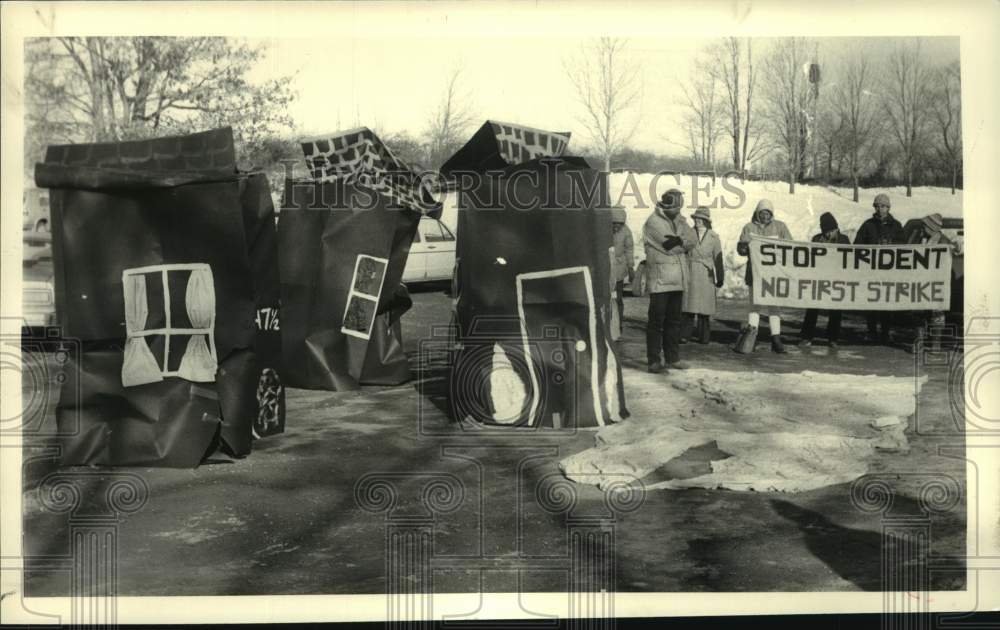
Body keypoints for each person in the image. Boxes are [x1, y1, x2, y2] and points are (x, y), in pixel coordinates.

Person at [644, 189, 696, 373]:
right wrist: (683, 243)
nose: (679, 210)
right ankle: (653, 361)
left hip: (678, 278)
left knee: (674, 321)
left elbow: (693, 239)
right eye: (676, 207)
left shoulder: (680, 220)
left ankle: (673, 358)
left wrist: (680, 241)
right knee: (656, 322)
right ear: (666, 206)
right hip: (660, 280)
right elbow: (668, 247)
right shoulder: (653, 222)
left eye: (680, 206)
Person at [735, 198, 793, 353]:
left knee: (774, 306)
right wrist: (744, 248)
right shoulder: (749, 227)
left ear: (772, 214)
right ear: (757, 213)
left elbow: (790, 246)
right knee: (755, 305)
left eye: (768, 213)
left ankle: (776, 339)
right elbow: (741, 247)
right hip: (754, 273)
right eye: (762, 212)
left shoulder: (780, 227)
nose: (765, 216)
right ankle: (752, 337)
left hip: (773, 273)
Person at [854, 193, 905, 345]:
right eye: (876, 206)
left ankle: (885, 332)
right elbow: (857, 246)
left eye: (882, 206)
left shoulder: (896, 225)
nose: (879, 209)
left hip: (889, 272)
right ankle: (871, 332)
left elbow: (905, 247)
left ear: (888, 207)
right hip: (871, 271)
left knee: (887, 303)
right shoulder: (867, 225)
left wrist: (891, 246)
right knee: (871, 303)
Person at [799, 212, 851, 348]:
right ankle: (807, 337)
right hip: (819, 278)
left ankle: (833, 338)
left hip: (837, 279)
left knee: (835, 310)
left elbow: (850, 259)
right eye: (826, 231)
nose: (828, 234)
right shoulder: (817, 239)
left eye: (831, 231)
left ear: (836, 229)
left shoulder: (844, 240)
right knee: (812, 308)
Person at [681, 206, 724, 344]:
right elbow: (681, 252)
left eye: (701, 219)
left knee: (704, 307)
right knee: (688, 305)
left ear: (706, 221)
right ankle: (684, 335)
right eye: (696, 218)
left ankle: (704, 336)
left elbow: (718, 257)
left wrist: (720, 276)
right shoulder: (688, 234)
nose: (698, 221)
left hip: (706, 274)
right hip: (691, 270)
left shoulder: (713, 236)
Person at [611, 206, 634, 329]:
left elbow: (629, 250)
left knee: (618, 298)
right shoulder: (603, 230)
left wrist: (631, 268)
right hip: (606, 268)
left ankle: (618, 324)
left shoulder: (626, 232)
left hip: (619, 269)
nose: (616, 227)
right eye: (614, 223)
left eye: (619, 224)